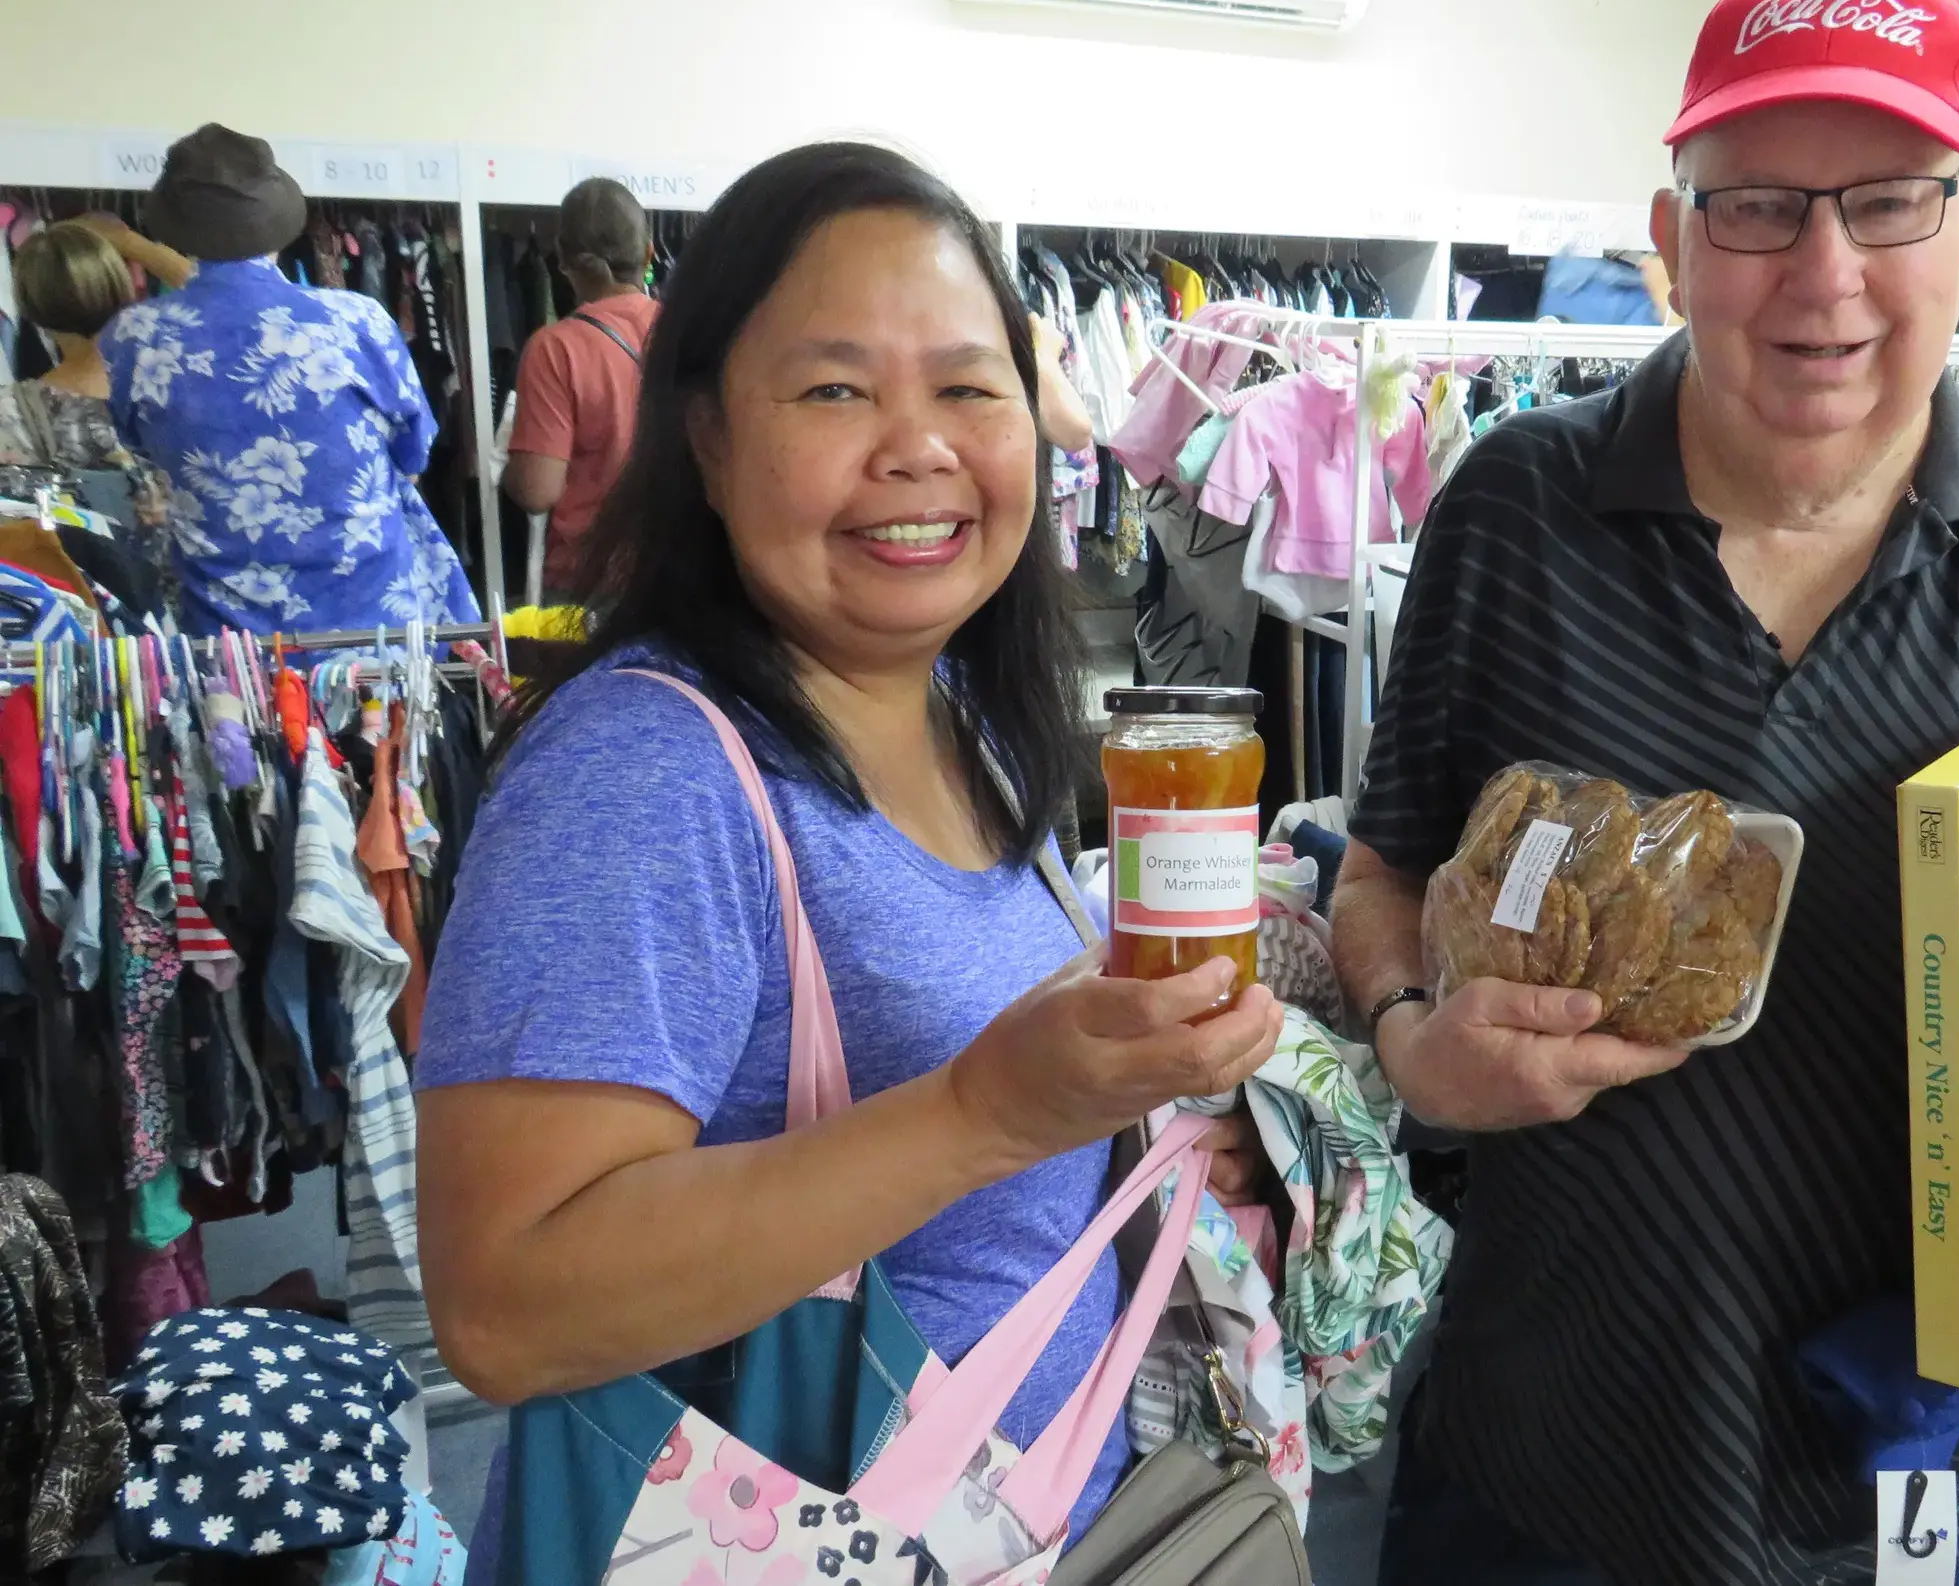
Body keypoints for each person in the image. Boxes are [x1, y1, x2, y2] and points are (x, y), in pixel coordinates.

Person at [1331, 0, 1959, 1585]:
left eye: (1892, 202)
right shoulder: (1517, 508)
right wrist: (1414, 1039)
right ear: (1671, 242)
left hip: (1908, 1460)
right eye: (1759, 205)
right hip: (1541, 1450)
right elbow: (1383, 868)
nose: (1826, 273)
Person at [413, 142, 1284, 1565]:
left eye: (966, 385)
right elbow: (505, 1308)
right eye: (834, 389)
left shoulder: (962, 715)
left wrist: (1149, 1107)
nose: (919, 445)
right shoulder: (645, 775)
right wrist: (986, 1114)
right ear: (703, 434)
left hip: (1020, 1512)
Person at [99, 123, 480, 635]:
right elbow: (414, 456)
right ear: (275, 221)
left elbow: (136, 456)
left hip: (231, 651)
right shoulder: (356, 322)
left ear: (178, 229)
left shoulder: (132, 340)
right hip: (375, 630)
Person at [0, 218, 187, 606]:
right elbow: (233, 304)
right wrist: (135, 245)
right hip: (205, 630)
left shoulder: (12, 410)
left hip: (90, 628)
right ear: (124, 292)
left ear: (32, 308)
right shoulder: (184, 388)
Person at [499, 177, 659, 600]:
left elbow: (537, 490)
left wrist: (509, 458)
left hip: (590, 582)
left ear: (563, 262)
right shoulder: (693, 331)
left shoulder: (556, 348)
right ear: (649, 252)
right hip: (681, 575)